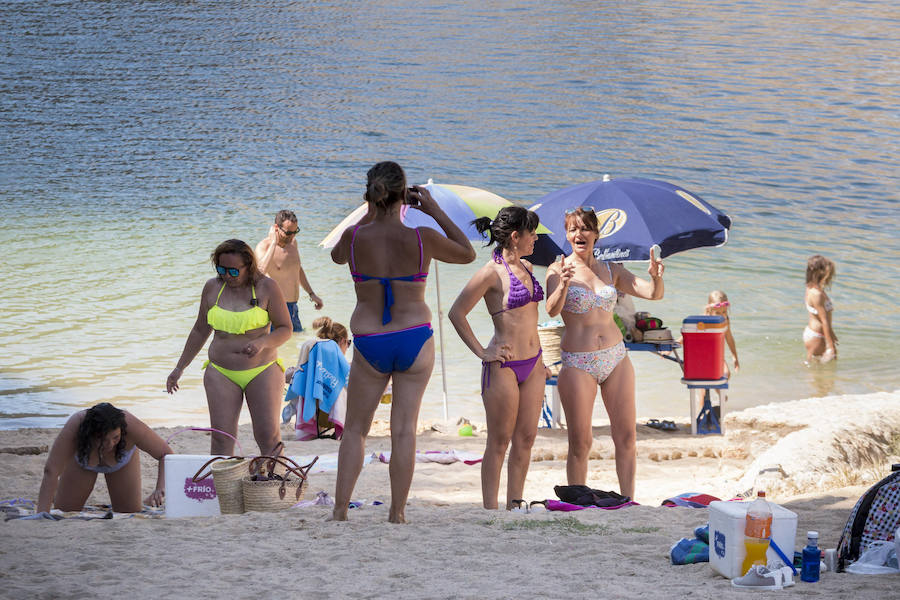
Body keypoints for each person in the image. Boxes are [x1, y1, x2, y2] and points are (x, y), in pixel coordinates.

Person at [329, 161, 476, 523]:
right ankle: (397, 513)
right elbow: (467, 252)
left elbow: (335, 256)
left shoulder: (354, 237)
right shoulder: (422, 237)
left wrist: (366, 214)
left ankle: (339, 511)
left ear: (370, 195)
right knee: (404, 430)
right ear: (405, 195)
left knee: (356, 430)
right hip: (413, 336)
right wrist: (434, 210)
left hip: (369, 339)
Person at [545, 207, 664, 500]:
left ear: (596, 234)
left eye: (585, 228)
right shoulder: (557, 269)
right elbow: (551, 309)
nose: (579, 234)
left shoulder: (612, 270)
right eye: (573, 229)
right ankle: (579, 500)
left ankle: (628, 500)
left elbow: (652, 294)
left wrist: (656, 276)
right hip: (578, 362)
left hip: (615, 358)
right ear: (567, 235)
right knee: (581, 441)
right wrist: (562, 285)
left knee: (626, 437)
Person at [448, 206, 546, 510]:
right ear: (516, 236)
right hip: (504, 365)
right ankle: (490, 510)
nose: (536, 239)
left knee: (527, 438)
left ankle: (515, 504)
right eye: (532, 233)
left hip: (534, 363)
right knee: (500, 441)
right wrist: (482, 351)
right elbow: (456, 313)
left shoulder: (528, 268)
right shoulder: (491, 272)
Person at [166, 239, 292, 456]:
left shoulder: (267, 287)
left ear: (248, 266)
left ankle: (275, 483)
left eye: (233, 271)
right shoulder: (212, 287)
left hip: (262, 369)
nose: (226, 275)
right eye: (221, 269)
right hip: (221, 371)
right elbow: (199, 330)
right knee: (222, 437)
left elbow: (285, 328)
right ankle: (224, 486)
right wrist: (179, 368)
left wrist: (263, 342)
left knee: (268, 436)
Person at [37, 403, 172, 514]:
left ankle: (141, 503)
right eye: (103, 439)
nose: (110, 444)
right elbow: (51, 471)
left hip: (122, 461)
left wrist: (160, 488)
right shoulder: (77, 424)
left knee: (129, 513)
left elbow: (166, 454)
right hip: (83, 459)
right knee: (65, 512)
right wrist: (42, 514)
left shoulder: (130, 424)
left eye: (116, 437)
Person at [255, 210, 324, 332]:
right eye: (288, 233)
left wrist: (311, 294)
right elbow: (259, 273)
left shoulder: (293, 243)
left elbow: (297, 269)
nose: (292, 236)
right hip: (273, 309)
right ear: (276, 228)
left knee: (293, 345)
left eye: (295, 231)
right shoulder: (263, 246)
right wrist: (273, 244)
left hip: (293, 308)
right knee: (274, 348)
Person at [804, 254, 838, 363]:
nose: (830, 277)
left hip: (814, 333)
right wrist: (830, 346)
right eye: (829, 274)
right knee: (819, 372)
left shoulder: (811, 288)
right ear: (819, 273)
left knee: (815, 370)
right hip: (817, 336)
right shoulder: (816, 294)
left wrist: (831, 333)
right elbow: (824, 320)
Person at [704, 290, 739, 378]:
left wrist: (735, 357)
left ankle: (721, 391)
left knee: (726, 375)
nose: (722, 316)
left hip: (716, 354)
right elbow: (687, 334)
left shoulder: (725, 321)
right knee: (704, 384)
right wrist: (671, 347)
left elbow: (729, 338)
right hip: (702, 355)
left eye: (724, 312)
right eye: (717, 313)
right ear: (709, 310)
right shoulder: (703, 322)